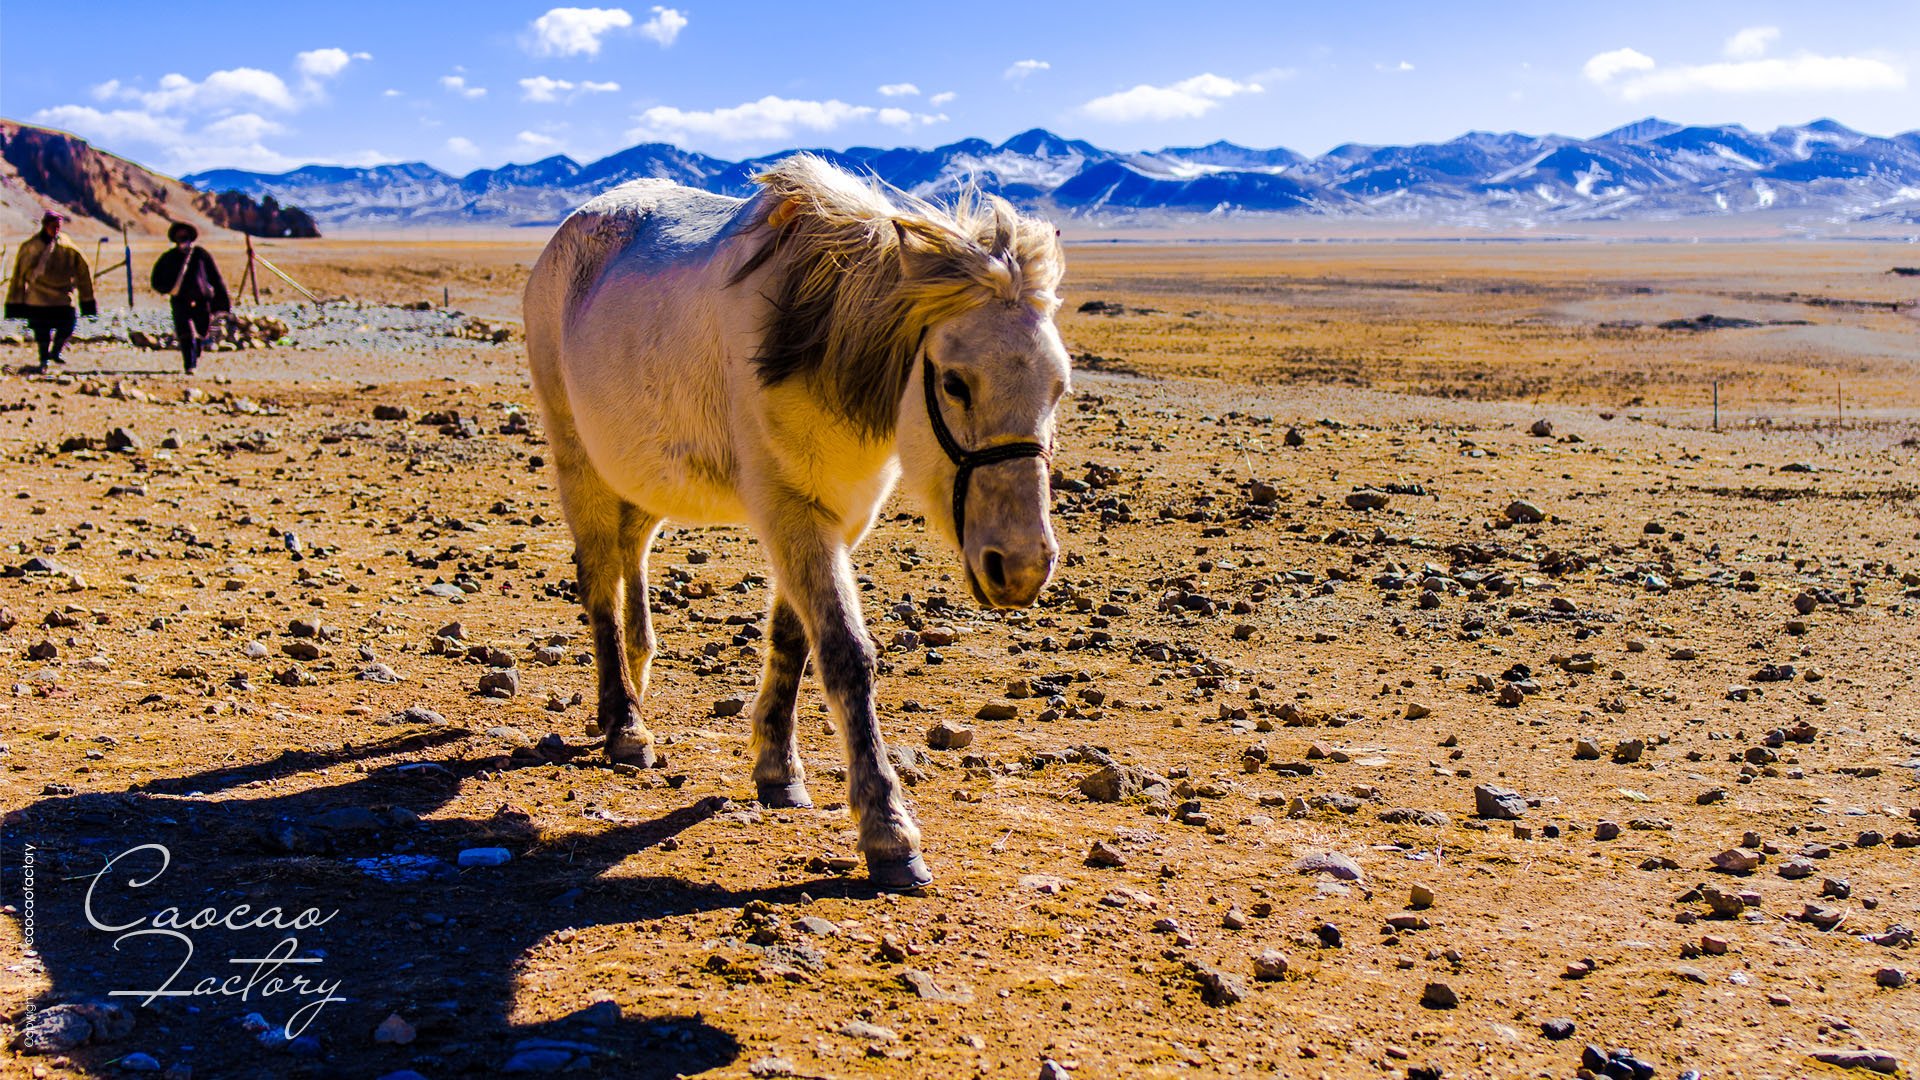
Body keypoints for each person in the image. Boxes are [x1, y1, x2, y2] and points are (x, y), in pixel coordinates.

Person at [5, 210, 97, 373]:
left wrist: (87, 300)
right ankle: (44, 359)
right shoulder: (31, 247)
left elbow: (83, 272)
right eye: (53, 226)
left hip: (62, 296)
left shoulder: (68, 246)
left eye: (58, 227)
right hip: (38, 297)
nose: (56, 230)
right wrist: (15, 302)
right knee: (42, 331)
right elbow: (19, 275)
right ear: (46, 226)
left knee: (68, 324)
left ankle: (55, 352)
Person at [149, 221, 229, 374]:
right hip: (180, 300)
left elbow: (215, 277)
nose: (183, 240)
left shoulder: (201, 254)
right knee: (185, 332)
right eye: (180, 237)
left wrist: (222, 301)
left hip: (202, 300)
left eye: (185, 236)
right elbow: (156, 279)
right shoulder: (168, 257)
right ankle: (189, 365)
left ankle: (195, 355)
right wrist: (167, 289)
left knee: (201, 331)